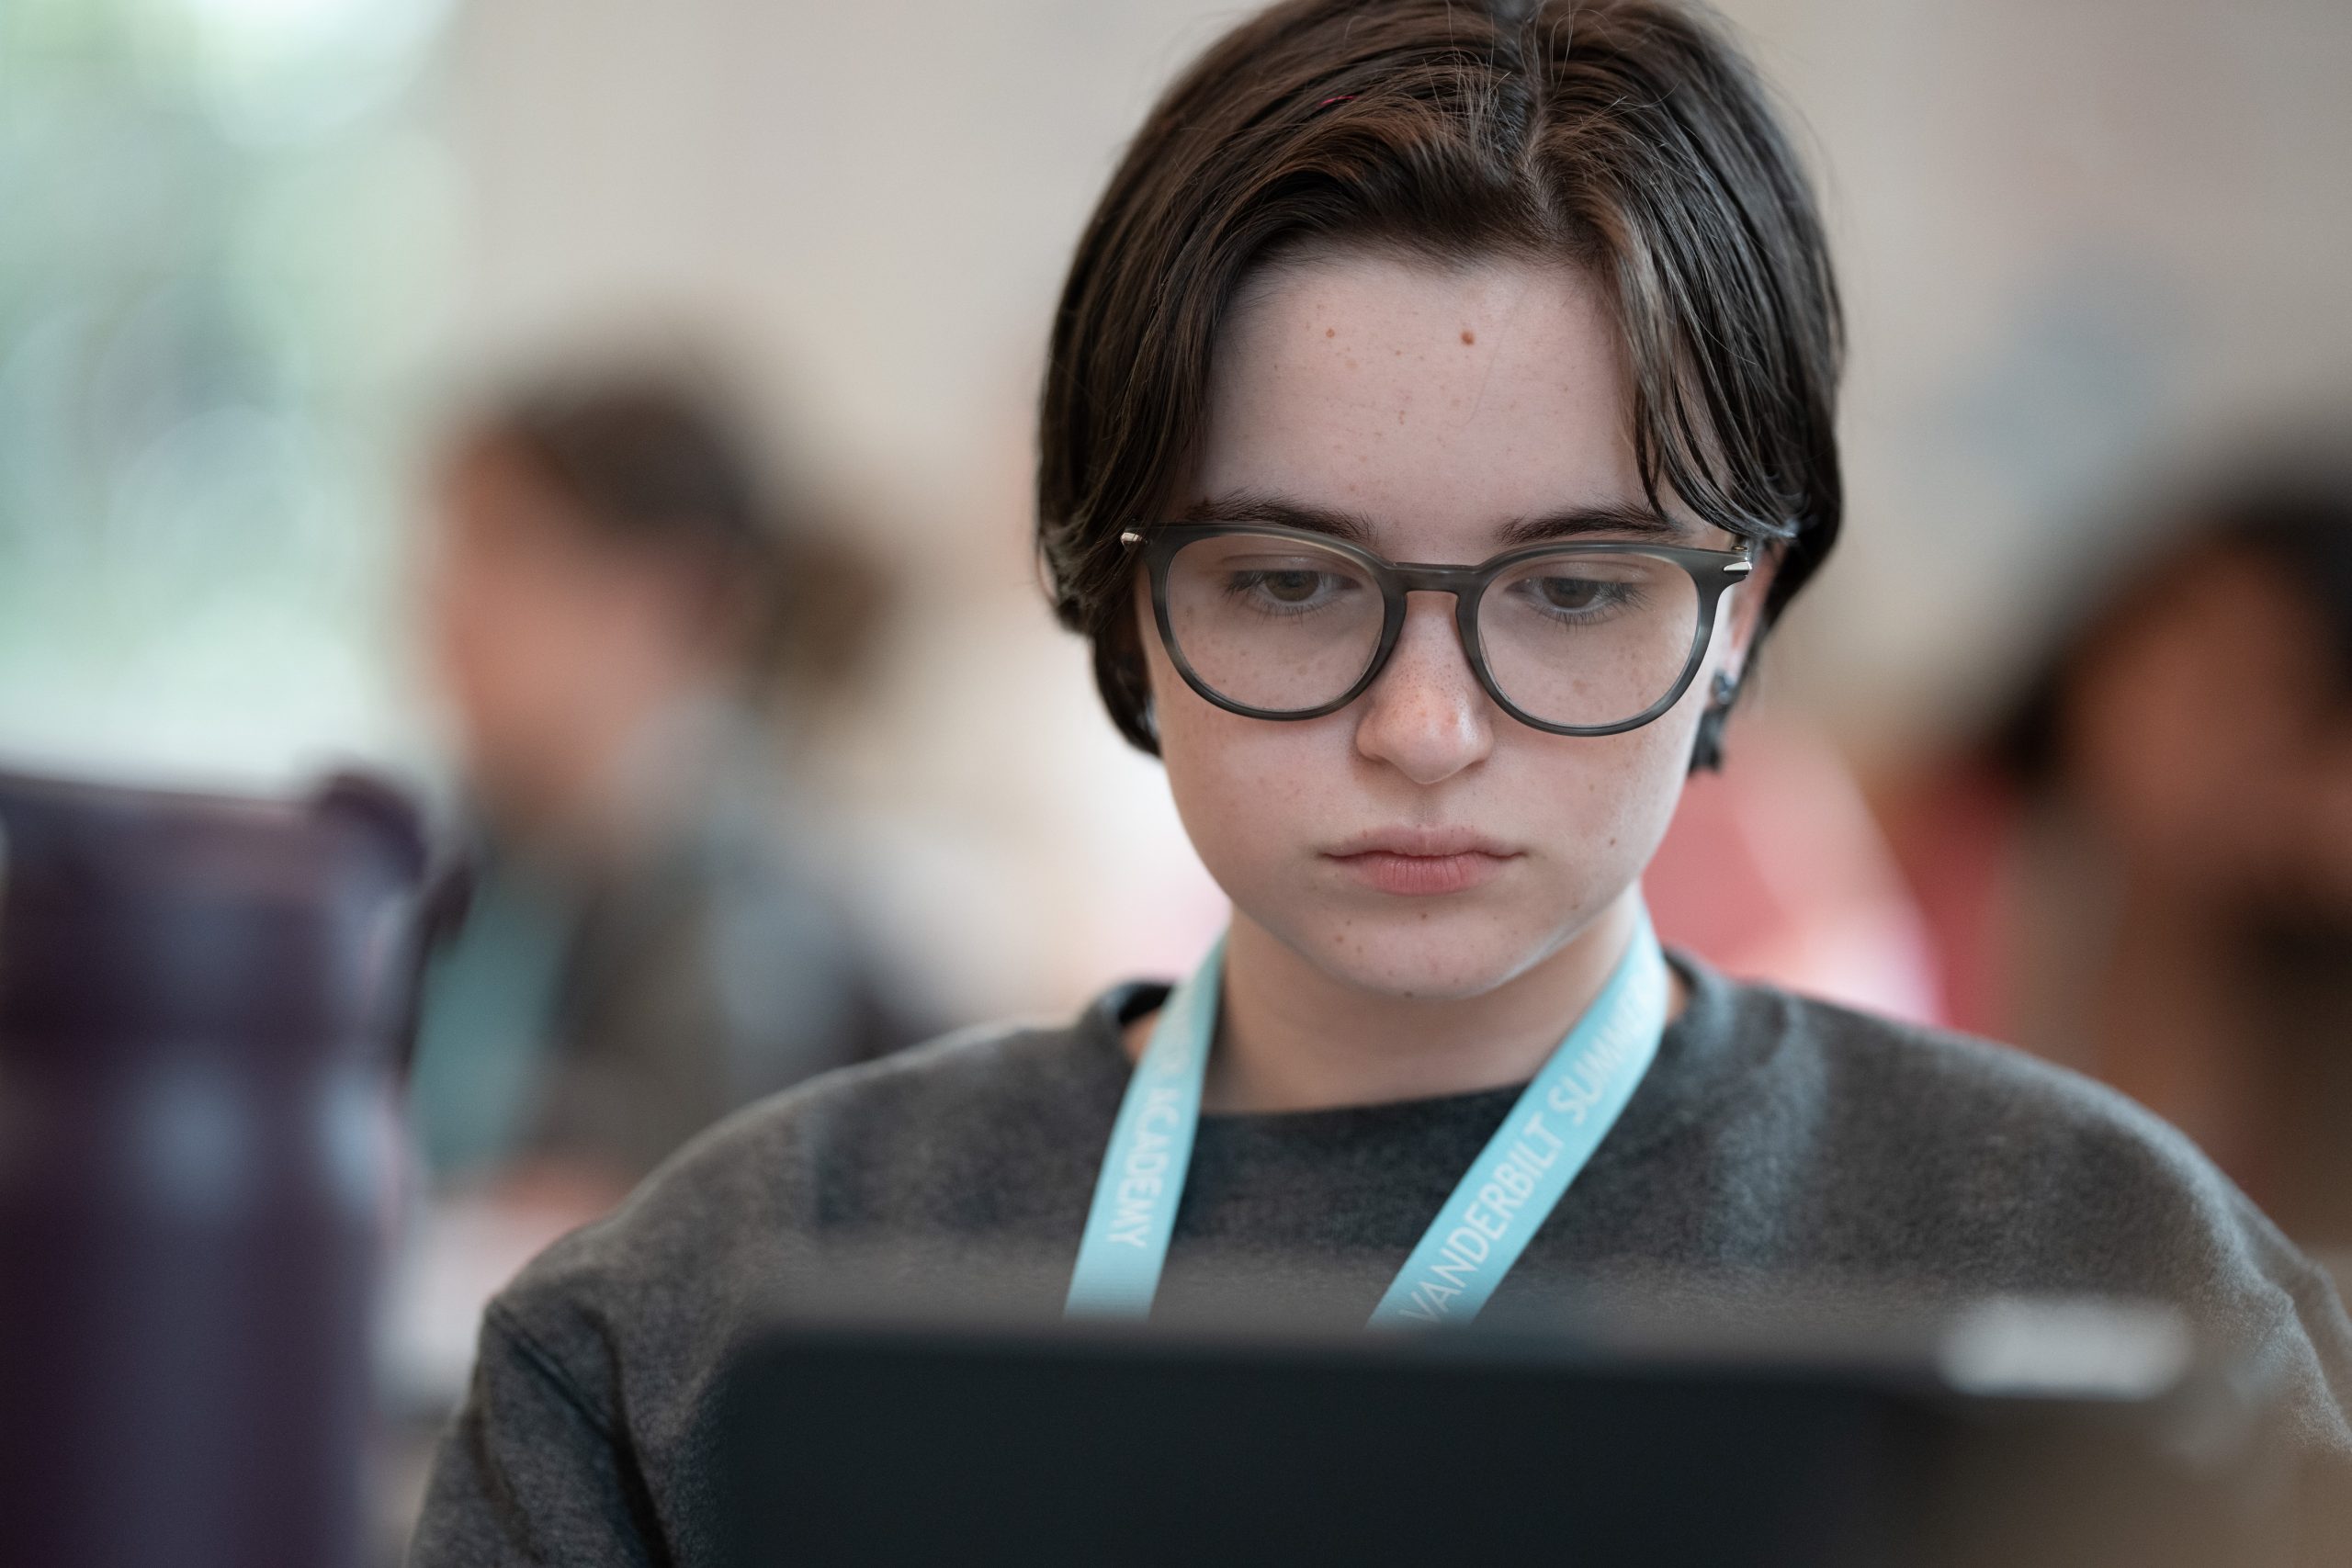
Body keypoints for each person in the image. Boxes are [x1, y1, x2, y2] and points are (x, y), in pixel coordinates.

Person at [411, 4, 2352, 1560]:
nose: (1424, 726)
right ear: (1120, 604)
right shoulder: (693, 1332)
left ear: (1739, 617)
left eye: (1577, 586)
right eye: (1285, 579)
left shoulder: (2108, 1289)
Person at [409, 374, 926, 1208]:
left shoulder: (745, 945)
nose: (445, 600)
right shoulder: (473, 870)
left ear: (673, 600)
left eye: (506, 547)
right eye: (448, 546)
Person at [1884, 457, 2352, 1264]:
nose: (2166, 694)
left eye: (2257, 688)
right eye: (2175, 629)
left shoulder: (2294, 1006)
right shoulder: (1892, 839)